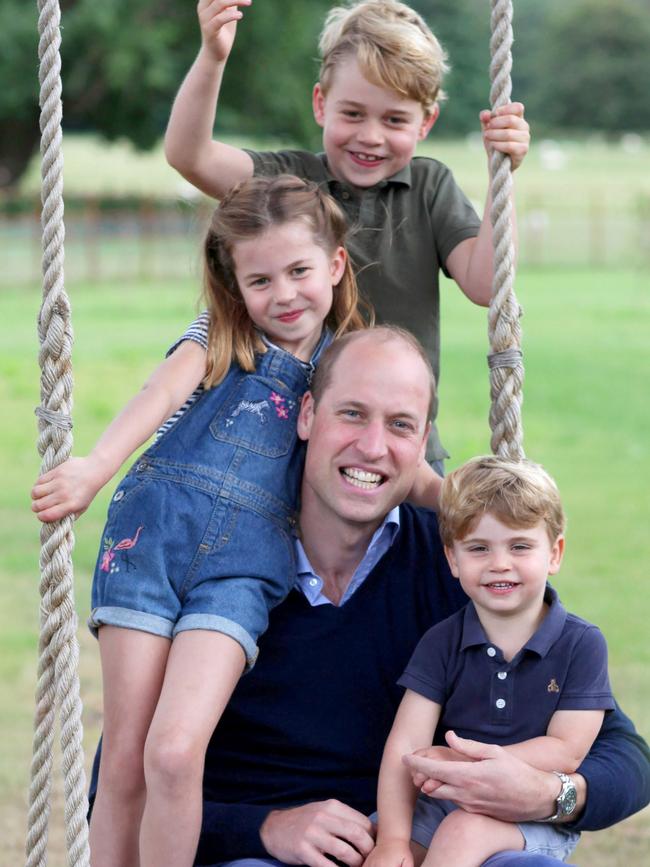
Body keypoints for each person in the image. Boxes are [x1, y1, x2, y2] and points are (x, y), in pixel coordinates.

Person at [80, 327, 646, 867]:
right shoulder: (217, 562)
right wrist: (264, 828)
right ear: (306, 416)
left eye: (400, 425)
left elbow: (624, 757)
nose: (373, 447)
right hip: (264, 858)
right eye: (352, 414)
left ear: (422, 443)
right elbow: (126, 782)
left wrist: (551, 794)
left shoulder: (460, 565)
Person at [31, 175, 375, 867]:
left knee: (176, 749)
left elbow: (377, 444)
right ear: (235, 283)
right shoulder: (222, 333)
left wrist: (453, 495)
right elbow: (159, 393)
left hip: (244, 569)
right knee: (125, 755)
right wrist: (95, 467)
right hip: (150, 540)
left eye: (299, 271)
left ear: (336, 266)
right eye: (260, 279)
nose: (283, 294)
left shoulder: (345, 363)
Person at [164, 0, 531, 472]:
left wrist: (503, 174)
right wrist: (213, 56)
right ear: (321, 103)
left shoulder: (429, 188)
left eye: (394, 120)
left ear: (426, 122)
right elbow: (189, 155)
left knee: (428, 541)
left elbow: (486, 285)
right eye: (353, 114)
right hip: (288, 451)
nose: (371, 136)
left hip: (401, 452)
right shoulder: (288, 182)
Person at [367, 456, 615, 867]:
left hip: (529, 811)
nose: (500, 563)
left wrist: (463, 763)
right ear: (452, 559)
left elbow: (567, 750)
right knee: (381, 850)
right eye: (479, 548)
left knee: (464, 834)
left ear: (554, 554)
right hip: (446, 801)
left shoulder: (581, 644)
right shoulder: (442, 641)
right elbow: (406, 746)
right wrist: (392, 840)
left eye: (520, 546)